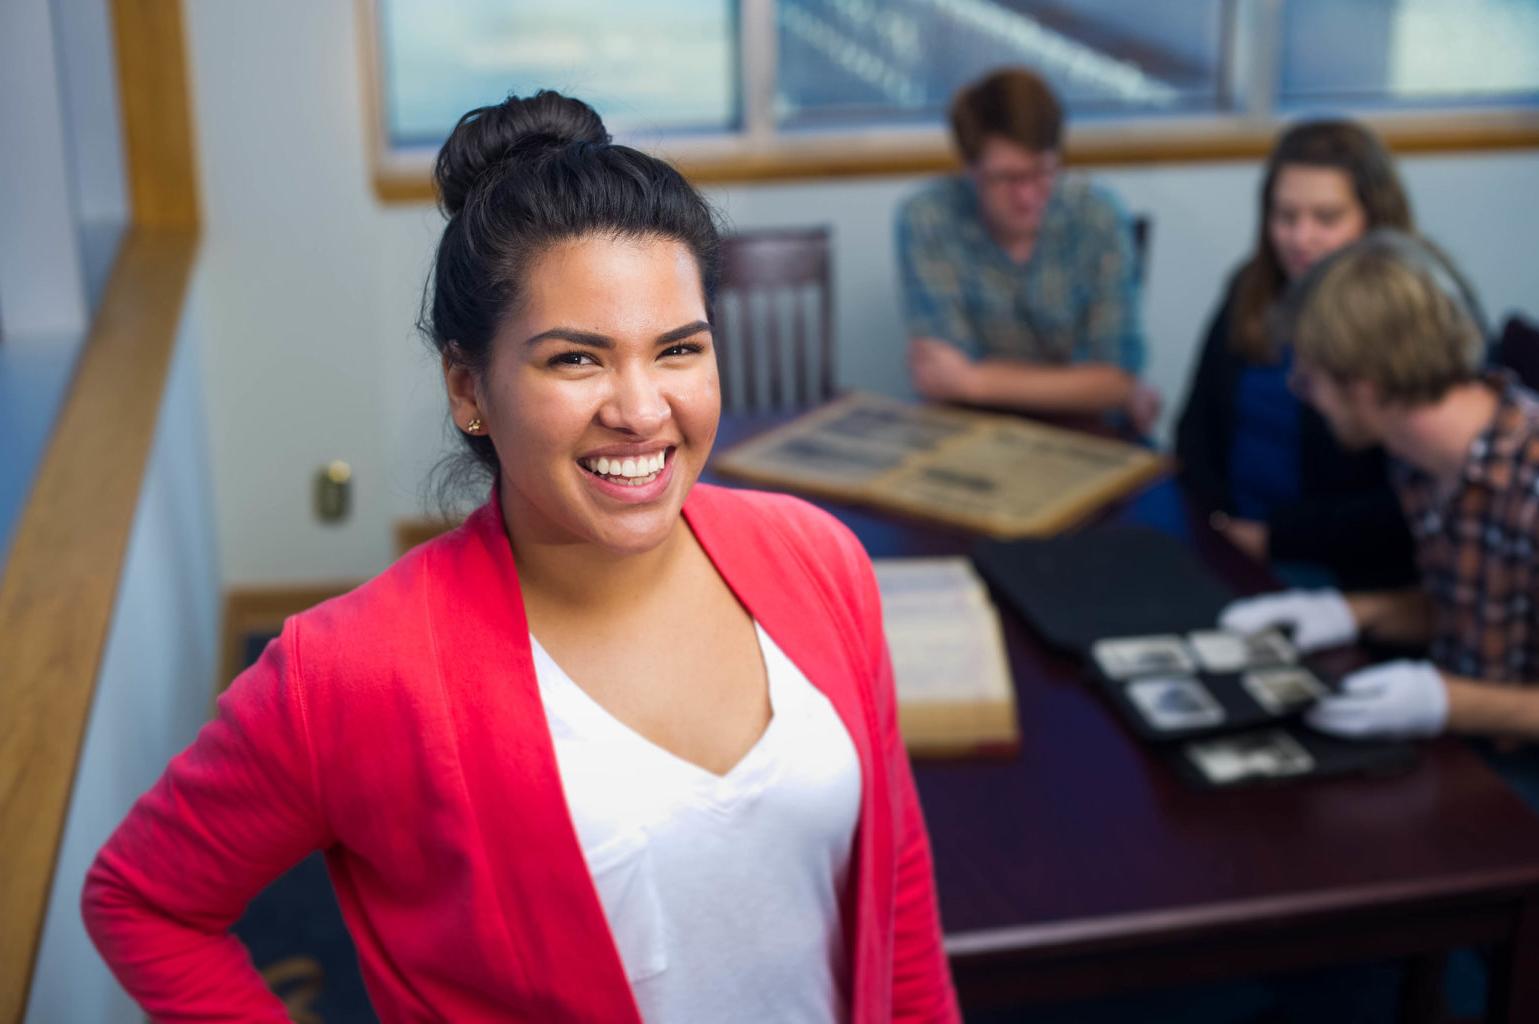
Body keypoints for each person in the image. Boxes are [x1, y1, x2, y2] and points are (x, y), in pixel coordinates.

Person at [82, 91, 959, 1023]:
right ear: (469, 385)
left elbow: (893, 879)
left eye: (677, 349)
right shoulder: (351, 673)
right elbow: (143, 901)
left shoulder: (816, 556)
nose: (641, 408)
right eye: (575, 360)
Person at [1221, 230, 1539, 744]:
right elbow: (1478, 607)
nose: (1308, 397)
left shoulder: (1529, 483)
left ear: (1364, 386)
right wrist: (1353, 612)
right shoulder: (1416, 460)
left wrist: (1446, 703)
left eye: (1310, 380)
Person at [1175, 120, 1421, 589]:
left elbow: (1406, 505)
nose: (1301, 238)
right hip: (1225, 545)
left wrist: (1275, 540)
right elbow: (1195, 429)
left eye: (1326, 218)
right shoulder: (1250, 289)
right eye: (1286, 217)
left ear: (1373, 219)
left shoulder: (1408, 323)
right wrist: (1218, 531)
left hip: (1339, 572)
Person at [896, 67, 1156, 431]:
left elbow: (1116, 380)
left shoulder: (1097, 214)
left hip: (1085, 435)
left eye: (1042, 172)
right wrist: (1083, 383)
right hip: (974, 436)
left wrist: (975, 381)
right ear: (970, 169)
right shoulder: (928, 217)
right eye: (1006, 178)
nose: (1028, 196)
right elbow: (940, 379)